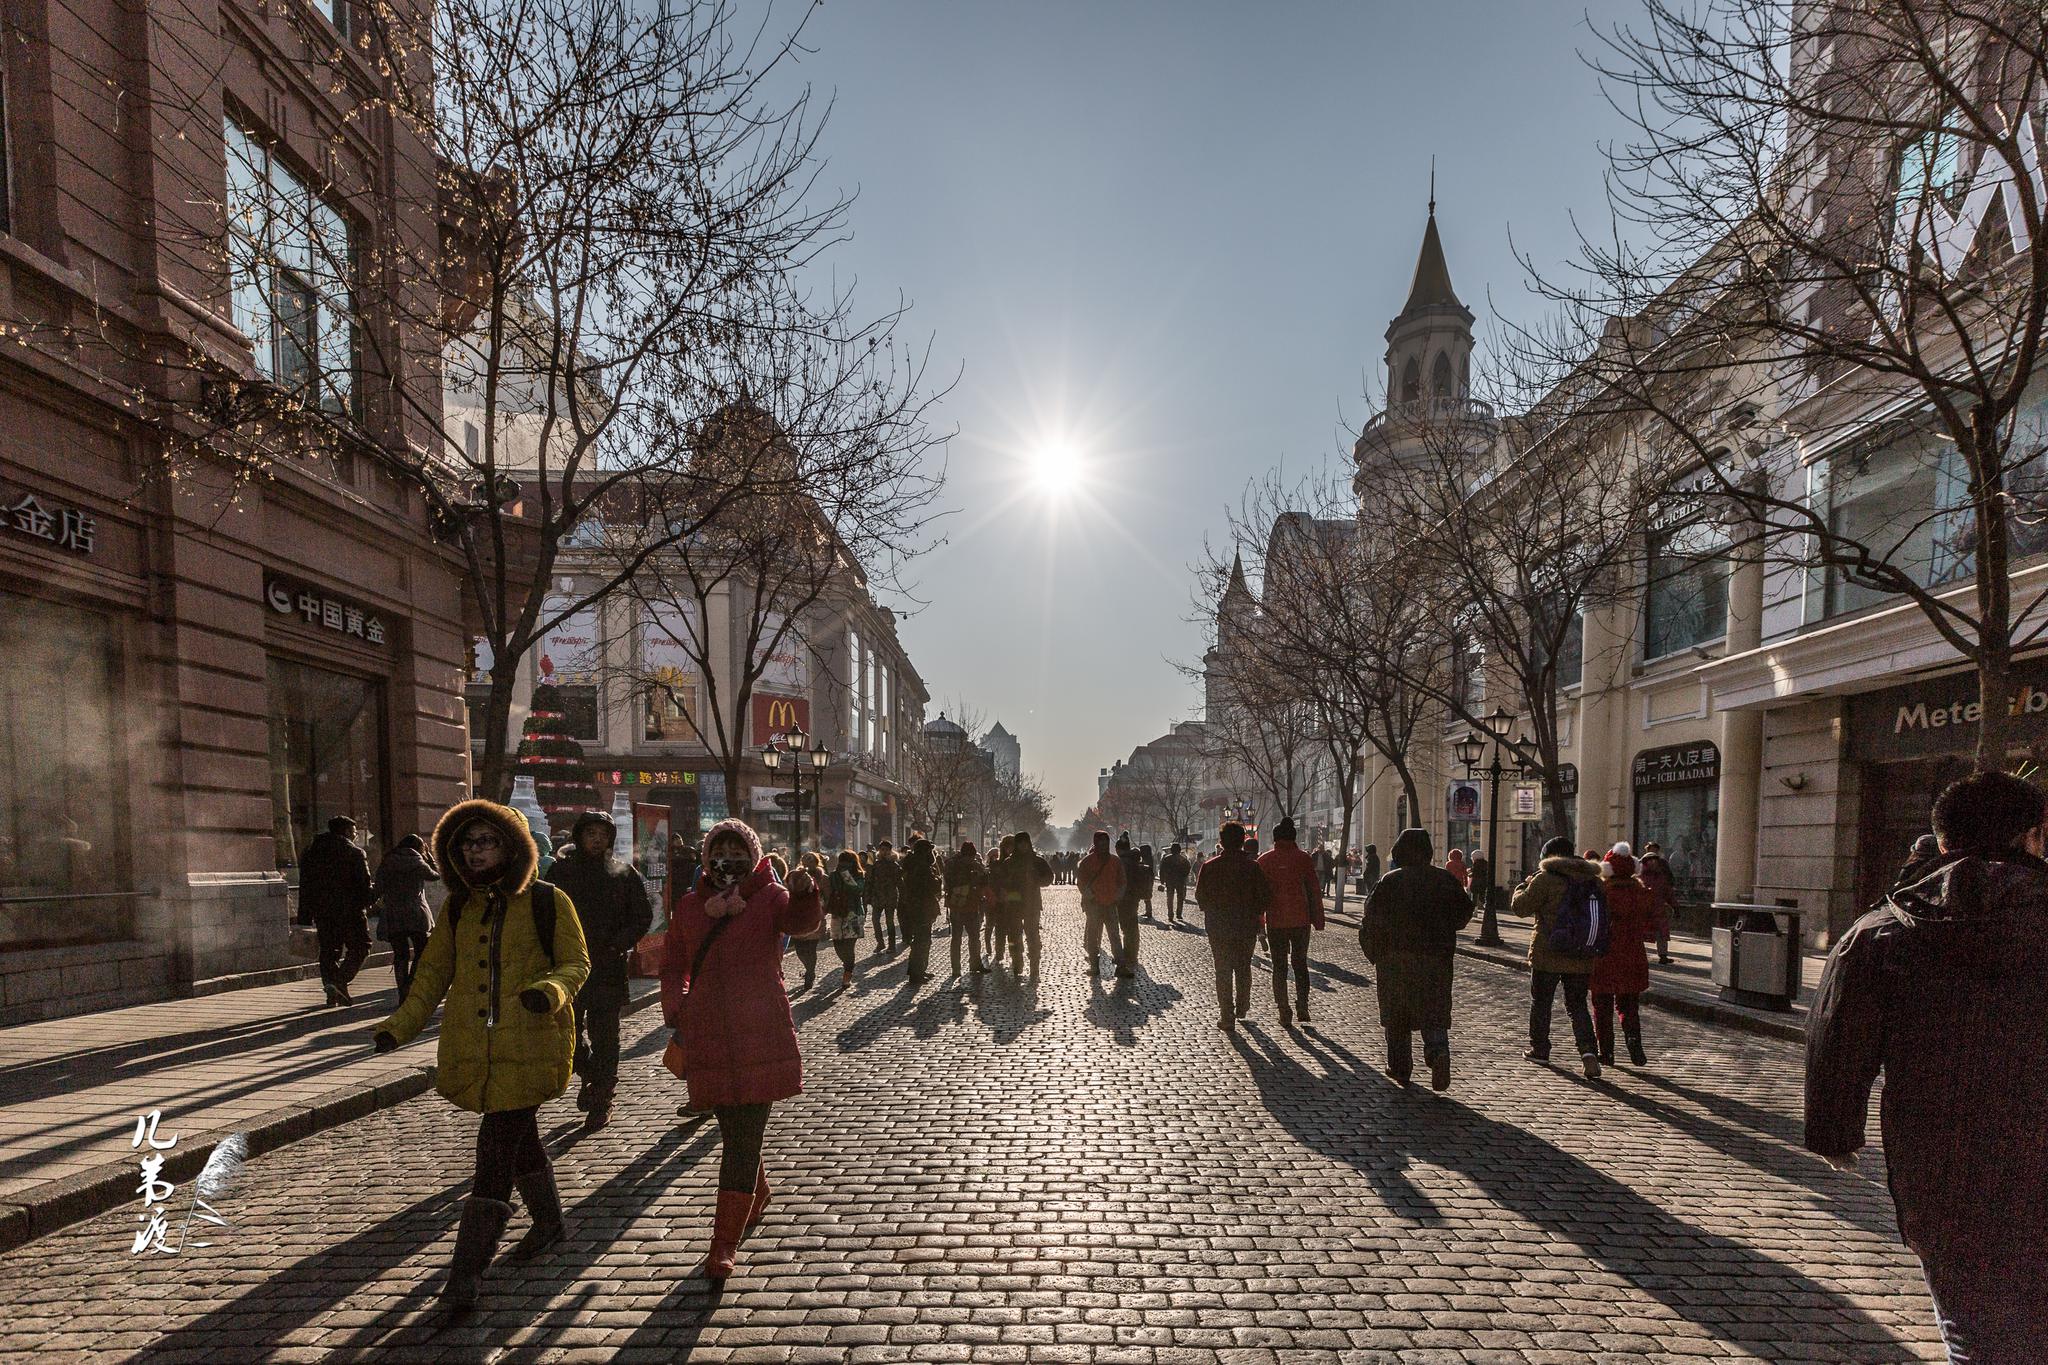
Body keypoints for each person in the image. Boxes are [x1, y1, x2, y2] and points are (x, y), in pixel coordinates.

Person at [1807, 771, 2048, 1361]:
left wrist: (1834, 1134)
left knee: (1974, 1324)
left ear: (1941, 840)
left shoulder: (1882, 932)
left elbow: (1837, 1038)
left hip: (1943, 1161)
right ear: (2034, 836)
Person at [371, 798, 590, 1308]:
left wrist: (548, 992)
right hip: (476, 1048)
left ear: (511, 847)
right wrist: (398, 1027)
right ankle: (550, 1223)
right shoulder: (458, 908)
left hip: (532, 1043)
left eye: (486, 841)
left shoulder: (547, 900)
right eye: (466, 843)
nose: (475, 851)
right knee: (520, 1140)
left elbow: (576, 963)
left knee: (494, 1151)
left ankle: (465, 1276)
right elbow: (431, 975)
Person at [660, 817, 819, 1280]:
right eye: (719, 852)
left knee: (743, 1138)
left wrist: (806, 892)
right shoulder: (691, 906)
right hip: (708, 1033)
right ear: (706, 858)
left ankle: (722, 1244)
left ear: (753, 857)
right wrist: (677, 1007)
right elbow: (673, 963)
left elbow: (801, 924)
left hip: (760, 1029)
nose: (727, 861)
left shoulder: (770, 897)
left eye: (737, 853)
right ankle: (757, 1193)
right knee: (735, 1133)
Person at [548, 810, 654, 1130]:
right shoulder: (561, 871)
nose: (597, 840)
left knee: (606, 1036)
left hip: (607, 966)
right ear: (579, 836)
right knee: (567, 1034)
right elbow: (544, 913)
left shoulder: (623, 873)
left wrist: (617, 944)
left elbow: (642, 916)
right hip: (568, 966)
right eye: (591, 833)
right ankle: (590, 1073)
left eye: (603, 834)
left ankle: (603, 1095)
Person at [1359, 827, 1472, 1089]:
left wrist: (1375, 953)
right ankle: (1437, 1052)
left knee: (1397, 1014)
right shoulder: (1444, 880)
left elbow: (1370, 920)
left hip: (1395, 959)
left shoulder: (1389, 881)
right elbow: (1462, 915)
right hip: (1436, 958)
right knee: (1434, 1010)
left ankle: (1400, 1067)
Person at [1511, 836, 1606, 1079]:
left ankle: (1540, 1049)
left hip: (1548, 952)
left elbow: (1521, 908)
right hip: (1581, 953)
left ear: (1548, 856)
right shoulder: (1593, 880)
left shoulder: (1545, 878)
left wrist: (1522, 887)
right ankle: (1588, 1053)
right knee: (1577, 1005)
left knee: (1541, 1002)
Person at [1195, 822, 1270, 1032]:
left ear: (1221, 842)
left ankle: (1226, 1015)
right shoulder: (1253, 867)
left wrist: (1212, 910)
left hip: (1218, 927)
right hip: (1246, 927)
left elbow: (1200, 896)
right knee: (1243, 967)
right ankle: (1242, 1005)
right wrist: (1254, 912)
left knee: (1223, 970)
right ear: (1242, 842)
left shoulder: (1210, 867)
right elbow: (1265, 896)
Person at [1591, 846, 1657, 1068]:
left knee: (1602, 1006)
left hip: (1604, 955)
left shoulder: (1602, 893)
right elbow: (1653, 920)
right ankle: (1633, 1040)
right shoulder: (1641, 893)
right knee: (1629, 1005)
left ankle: (1606, 1052)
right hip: (1633, 955)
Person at [1257, 817, 1325, 1028]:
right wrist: (1318, 919)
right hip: (1300, 920)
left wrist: (1260, 921)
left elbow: (1260, 895)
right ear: (1294, 838)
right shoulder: (1303, 858)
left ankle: (1283, 1009)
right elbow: (1314, 890)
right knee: (1300, 964)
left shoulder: (1265, 860)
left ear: (1275, 838)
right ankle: (1302, 1005)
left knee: (1279, 967)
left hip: (1276, 921)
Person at [301, 816, 374, 1007]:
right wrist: (370, 902)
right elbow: (364, 884)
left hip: (323, 912)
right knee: (361, 947)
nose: (355, 836)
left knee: (329, 951)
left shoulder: (312, 852)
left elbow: (305, 886)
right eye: (354, 832)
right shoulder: (354, 852)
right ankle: (339, 981)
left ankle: (332, 993)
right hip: (351, 911)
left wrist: (304, 915)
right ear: (347, 832)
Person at [374, 833, 438, 1003]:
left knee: (400, 954)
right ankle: (410, 984)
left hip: (393, 914)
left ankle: (402, 991)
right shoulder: (418, 862)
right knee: (422, 951)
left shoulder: (387, 861)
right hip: (416, 913)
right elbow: (435, 875)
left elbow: (378, 888)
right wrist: (429, 857)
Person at [993, 830, 1054, 974]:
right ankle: (1017, 961)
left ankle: (1034, 963)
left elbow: (1049, 877)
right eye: (1020, 843)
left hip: (1032, 903)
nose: (1023, 846)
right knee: (1014, 934)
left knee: (1032, 935)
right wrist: (1007, 887)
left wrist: (1036, 881)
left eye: (1025, 843)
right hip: (1014, 903)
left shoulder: (1037, 861)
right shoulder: (1009, 862)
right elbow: (1000, 881)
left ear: (1029, 844)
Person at [1075, 830, 1127, 976]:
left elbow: (1122, 881)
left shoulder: (1115, 861)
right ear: (1096, 843)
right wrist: (1090, 897)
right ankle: (1094, 965)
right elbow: (1081, 882)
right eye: (1100, 842)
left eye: (1105, 842)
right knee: (1093, 936)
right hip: (1094, 905)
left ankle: (1121, 966)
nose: (1103, 844)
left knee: (1114, 936)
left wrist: (1117, 897)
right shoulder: (1087, 862)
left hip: (1110, 904)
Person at [898, 836, 942, 986]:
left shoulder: (911, 864)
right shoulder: (922, 867)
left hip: (915, 906)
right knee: (922, 941)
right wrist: (937, 880)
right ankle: (916, 973)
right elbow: (931, 886)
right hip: (922, 907)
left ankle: (919, 970)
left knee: (921, 940)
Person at [784, 851, 828, 991]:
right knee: (800, 950)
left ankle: (810, 973)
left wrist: (823, 910)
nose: (808, 861)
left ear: (816, 862)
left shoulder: (823, 877)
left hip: (815, 916)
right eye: (805, 859)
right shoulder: (796, 875)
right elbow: (788, 890)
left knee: (811, 948)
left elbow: (828, 896)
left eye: (810, 859)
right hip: (799, 915)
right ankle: (809, 969)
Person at [945, 840, 988, 976]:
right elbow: (952, 882)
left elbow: (984, 880)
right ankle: (959, 968)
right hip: (961, 904)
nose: (971, 859)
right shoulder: (955, 865)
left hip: (968, 904)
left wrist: (980, 870)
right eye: (970, 857)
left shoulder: (967, 864)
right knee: (960, 938)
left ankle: (971, 965)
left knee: (972, 937)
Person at [824, 849, 865, 990]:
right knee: (837, 945)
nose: (844, 864)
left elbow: (857, 890)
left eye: (847, 861)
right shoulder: (833, 875)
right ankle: (847, 964)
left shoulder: (859, 875)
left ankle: (848, 973)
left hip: (853, 913)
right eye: (842, 861)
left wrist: (846, 875)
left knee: (849, 946)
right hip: (837, 913)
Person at [1637, 841, 1677, 964]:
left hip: (1658, 908)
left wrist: (1675, 906)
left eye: (1655, 859)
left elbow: (1668, 890)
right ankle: (1640, 955)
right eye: (1650, 860)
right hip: (1643, 908)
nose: (1653, 862)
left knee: (1662, 932)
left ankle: (1663, 955)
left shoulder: (1661, 873)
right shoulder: (1639, 874)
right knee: (1641, 932)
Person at [1112, 833, 1145, 979]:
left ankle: (1128, 954)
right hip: (1133, 897)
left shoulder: (1121, 863)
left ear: (1119, 849)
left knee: (1125, 928)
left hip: (1123, 898)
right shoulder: (1134, 860)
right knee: (1132, 926)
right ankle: (1132, 953)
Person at [867, 841, 902, 952]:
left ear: (890, 851)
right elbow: (869, 878)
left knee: (889, 922)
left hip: (890, 896)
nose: (884, 852)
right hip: (877, 896)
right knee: (875, 920)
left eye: (886, 850)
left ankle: (891, 945)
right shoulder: (875, 863)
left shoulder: (894, 865)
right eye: (882, 849)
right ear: (879, 850)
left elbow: (899, 881)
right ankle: (880, 943)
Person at [1160, 842, 1192, 924]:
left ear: (1171, 850)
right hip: (1180, 881)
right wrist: (1184, 876)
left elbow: (1162, 870)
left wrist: (1162, 880)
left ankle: (1170, 914)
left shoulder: (1166, 859)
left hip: (1169, 880)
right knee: (1180, 897)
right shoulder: (1183, 859)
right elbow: (1188, 868)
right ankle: (1179, 914)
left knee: (1170, 898)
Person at [1137, 842, 1158, 922]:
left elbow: (1147, 868)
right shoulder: (1149, 858)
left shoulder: (1147, 859)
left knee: (1144, 895)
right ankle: (1148, 912)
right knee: (1147, 895)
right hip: (1147, 879)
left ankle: (1148, 912)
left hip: (1146, 879)